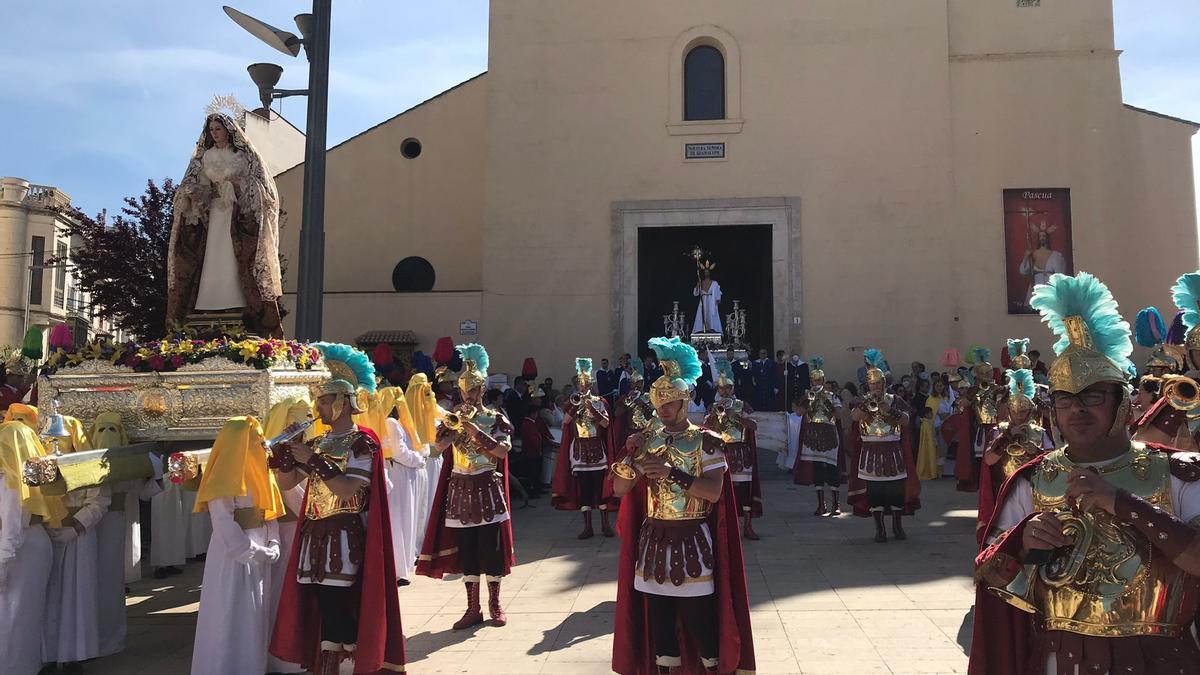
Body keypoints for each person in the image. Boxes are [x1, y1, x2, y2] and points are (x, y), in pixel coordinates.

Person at [971, 270, 1200, 675]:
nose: (1077, 409)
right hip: (1058, 661)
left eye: (1092, 396)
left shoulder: (1178, 474)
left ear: (1122, 403)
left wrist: (1124, 504)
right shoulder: (1033, 479)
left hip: (1162, 661)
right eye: (1065, 399)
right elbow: (990, 577)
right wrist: (1020, 543)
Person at [611, 337, 754, 675]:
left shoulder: (705, 441)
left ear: (684, 401)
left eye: (669, 404)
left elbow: (715, 493)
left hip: (692, 539)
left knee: (700, 622)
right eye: (658, 403)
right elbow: (619, 490)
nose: (662, 410)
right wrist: (632, 459)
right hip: (654, 539)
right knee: (660, 626)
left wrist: (672, 473)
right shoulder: (649, 437)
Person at [269, 343, 405, 675]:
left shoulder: (363, 442)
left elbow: (347, 489)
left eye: (324, 400)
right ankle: (329, 667)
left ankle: (351, 667)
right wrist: (281, 457)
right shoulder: (317, 442)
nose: (318, 406)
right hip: (314, 532)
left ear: (343, 402)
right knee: (321, 603)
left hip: (345, 535)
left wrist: (311, 460)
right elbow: (288, 484)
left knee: (341, 606)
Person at [418, 343, 516, 630]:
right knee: (469, 552)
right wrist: (450, 426)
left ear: (482, 390)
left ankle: (495, 604)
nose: (468, 396)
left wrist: (473, 428)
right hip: (460, 490)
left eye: (472, 390)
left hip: (487, 488)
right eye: (464, 391)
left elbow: (501, 452)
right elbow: (437, 448)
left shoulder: (496, 418)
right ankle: (472, 607)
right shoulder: (455, 417)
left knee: (491, 551)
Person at [166, 113, 283, 336]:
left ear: (228, 130)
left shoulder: (242, 156)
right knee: (213, 254)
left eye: (218, 128)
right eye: (211, 130)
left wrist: (237, 187)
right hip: (215, 213)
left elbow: (258, 184)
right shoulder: (204, 158)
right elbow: (194, 183)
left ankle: (234, 300)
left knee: (232, 255)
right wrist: (197, 193)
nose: (215, 133)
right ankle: (209, 302)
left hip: (235, 214)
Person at [190, 416, 285, 675]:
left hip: (259, 556)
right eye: (256, 439)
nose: (262, 444)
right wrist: (254, 552)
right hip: (234, 559)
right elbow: (223, 524)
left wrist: (273, 542)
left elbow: (270, 513)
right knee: (230, 614)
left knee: (254, 617)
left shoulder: (262, 473)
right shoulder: (223, 477)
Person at [0, 422, 67, 675]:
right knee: (21, 616)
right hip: (30, 546)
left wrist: (3, 564)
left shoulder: (12, 481)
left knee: (13, 618)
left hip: (20, 550)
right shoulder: (18, 477)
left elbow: (13, 528)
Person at [262, 397, 318, 675]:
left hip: (295, 531)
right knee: (284, 593)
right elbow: (295, 496)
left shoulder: (298, 451)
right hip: (287, 532)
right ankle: (285, 656)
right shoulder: (279, 454)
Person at [42, 449, 111, 670]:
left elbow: (99, 501)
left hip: (79, 536)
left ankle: (74, 654)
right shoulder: (38, 462)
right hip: (48, 533)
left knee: (77, 593)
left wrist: (78, 526)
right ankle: (47, 655)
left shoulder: (90, 462)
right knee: (47, 595)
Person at [847, 349, 920, 543]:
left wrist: (891, 410)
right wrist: (867, 404)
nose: (876, 386)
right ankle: (880, 529)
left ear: (884, 383)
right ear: (867, 384)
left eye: (879, 383)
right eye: (872, 383)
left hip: (892, 451)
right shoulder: (861, 401)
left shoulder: (896, 400)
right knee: (875, 493)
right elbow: (854, 417)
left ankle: (897, 526)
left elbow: (906, 420)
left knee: (895, 491)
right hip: (870, 451)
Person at [356, 386, 426, 585]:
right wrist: (419, 459)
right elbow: (398, 452)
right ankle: (397, 569)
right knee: (399, 521)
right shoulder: (390, 422)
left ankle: (402, 566)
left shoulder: (394, 422)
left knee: (405, 519)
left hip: (403, 473)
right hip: (400, 474)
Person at [552, 358, 615, 539]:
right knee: (584, 489)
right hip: (579, 450)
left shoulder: (600, 402)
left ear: (591, 384)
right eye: (580, 385)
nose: (583, 388)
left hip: (596, 448)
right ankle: (587, 527)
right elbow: (565, 422)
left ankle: (605, 525)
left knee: (599, 487)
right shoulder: (572, 402)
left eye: (586, 384)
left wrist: (592, 408)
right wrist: (575, 407)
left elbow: (605, 423)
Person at [707, 359, 761, 540]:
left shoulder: (741, 405)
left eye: (728, 388)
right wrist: (716, 417)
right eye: (721, 389)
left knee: (744, 491)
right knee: (722, 491)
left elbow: (753, 425)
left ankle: (747, 526)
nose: (725, 391)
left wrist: (735, 417)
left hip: (740, 452)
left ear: (733, 388)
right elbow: (706, 431)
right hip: (722, 452)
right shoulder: (713, 407)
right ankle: (724, 527)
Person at [794, 357, 845, 515]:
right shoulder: (808, 395)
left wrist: (825, 400)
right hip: (813, 435)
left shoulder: (831, 395)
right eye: (814, 380)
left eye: (819, 380)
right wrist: (807, 401)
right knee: (817, 469)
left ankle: (836, 505)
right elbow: (798, 412)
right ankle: (820, 504)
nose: (816, 383)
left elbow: (839, 414)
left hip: (829, 434)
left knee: (832, 468)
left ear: (823, 380)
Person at [955, 347, 1004, 492]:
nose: (989, 375)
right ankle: (978, 482)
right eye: (986, 373)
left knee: (995, 456)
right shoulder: (973, 390)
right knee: (978, 458)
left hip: (995, 427)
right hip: (980, 428)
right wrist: (968, 400)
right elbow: (962, 405)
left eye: (989, 372)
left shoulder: (999, 389)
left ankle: (994, 483)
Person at [405, 372, 442, 556]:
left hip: (435, 461)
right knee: (421, 506)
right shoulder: (406, 414)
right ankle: (418, 546)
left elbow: (445, 417)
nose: (426, 392)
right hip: (419, 464)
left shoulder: (432, 407)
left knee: (433, 502)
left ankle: (430, 541)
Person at [1017, 228, 1067, 311]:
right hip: (1036, 284)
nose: (1042, 238)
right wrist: (1026, 257)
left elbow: (1060, 273)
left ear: (1047, 238)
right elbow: (1023, 271)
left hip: (1049, 284)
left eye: (1044, 236)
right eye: (1040, 236)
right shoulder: (1032, 254)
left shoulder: (1055, 255)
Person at [692, 263, 722, 334]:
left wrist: (718, 299)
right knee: (702, 314)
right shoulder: (700, 282)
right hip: (703, 301)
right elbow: (696, 293)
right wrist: (697, 285)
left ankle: (712, 328)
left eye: (708, 272)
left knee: (712, 315)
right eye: (705, 272)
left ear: (710, 273)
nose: (706, 273)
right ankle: (702, 329)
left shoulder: (714, 283)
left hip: (712, 302)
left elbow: (718, 293)